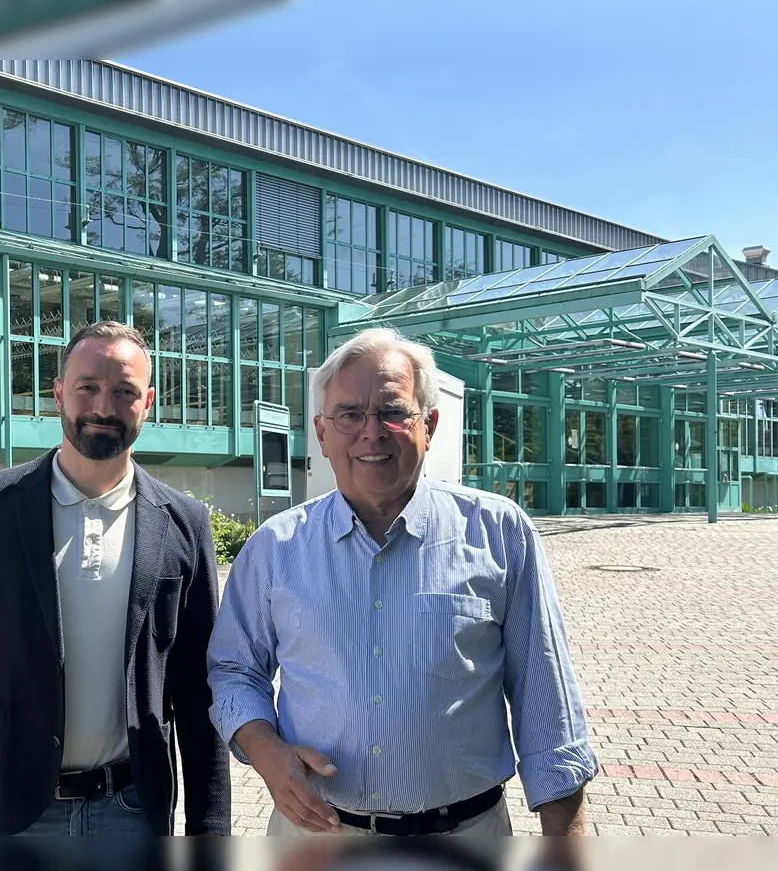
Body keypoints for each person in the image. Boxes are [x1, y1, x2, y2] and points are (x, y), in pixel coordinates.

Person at [207, 327, 597, 837]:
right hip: (316, 843)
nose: (372, 431)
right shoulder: (275, 548)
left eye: (393, 411)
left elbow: (546, 702)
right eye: (349, 414)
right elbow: (234, 670)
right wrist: (265, 750)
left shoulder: (499, 534)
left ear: (428, 425)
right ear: (322, 433)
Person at [0, 320, 231, 837]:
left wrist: (210, 827)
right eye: (87, 387)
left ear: (147, 402)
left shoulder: (184, 523)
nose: (104, 406)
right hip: (7, 814)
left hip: (132, 813)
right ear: (59, 393)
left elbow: (198, 688)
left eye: (124, 391)